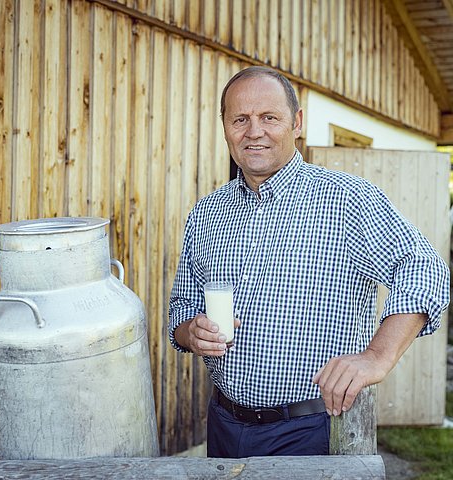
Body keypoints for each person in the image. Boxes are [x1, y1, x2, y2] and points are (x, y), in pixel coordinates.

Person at [168, 66, 450, 457]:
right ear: (225, 126)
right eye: (240, 119)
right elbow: (181, 307)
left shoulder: (347, 199)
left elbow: (425, 269)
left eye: (269, 117)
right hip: (224, 424)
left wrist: (376, 357)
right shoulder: (207, 212)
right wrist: (190, 331)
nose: (254, 132)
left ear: (296, 122)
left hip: (314, 429)